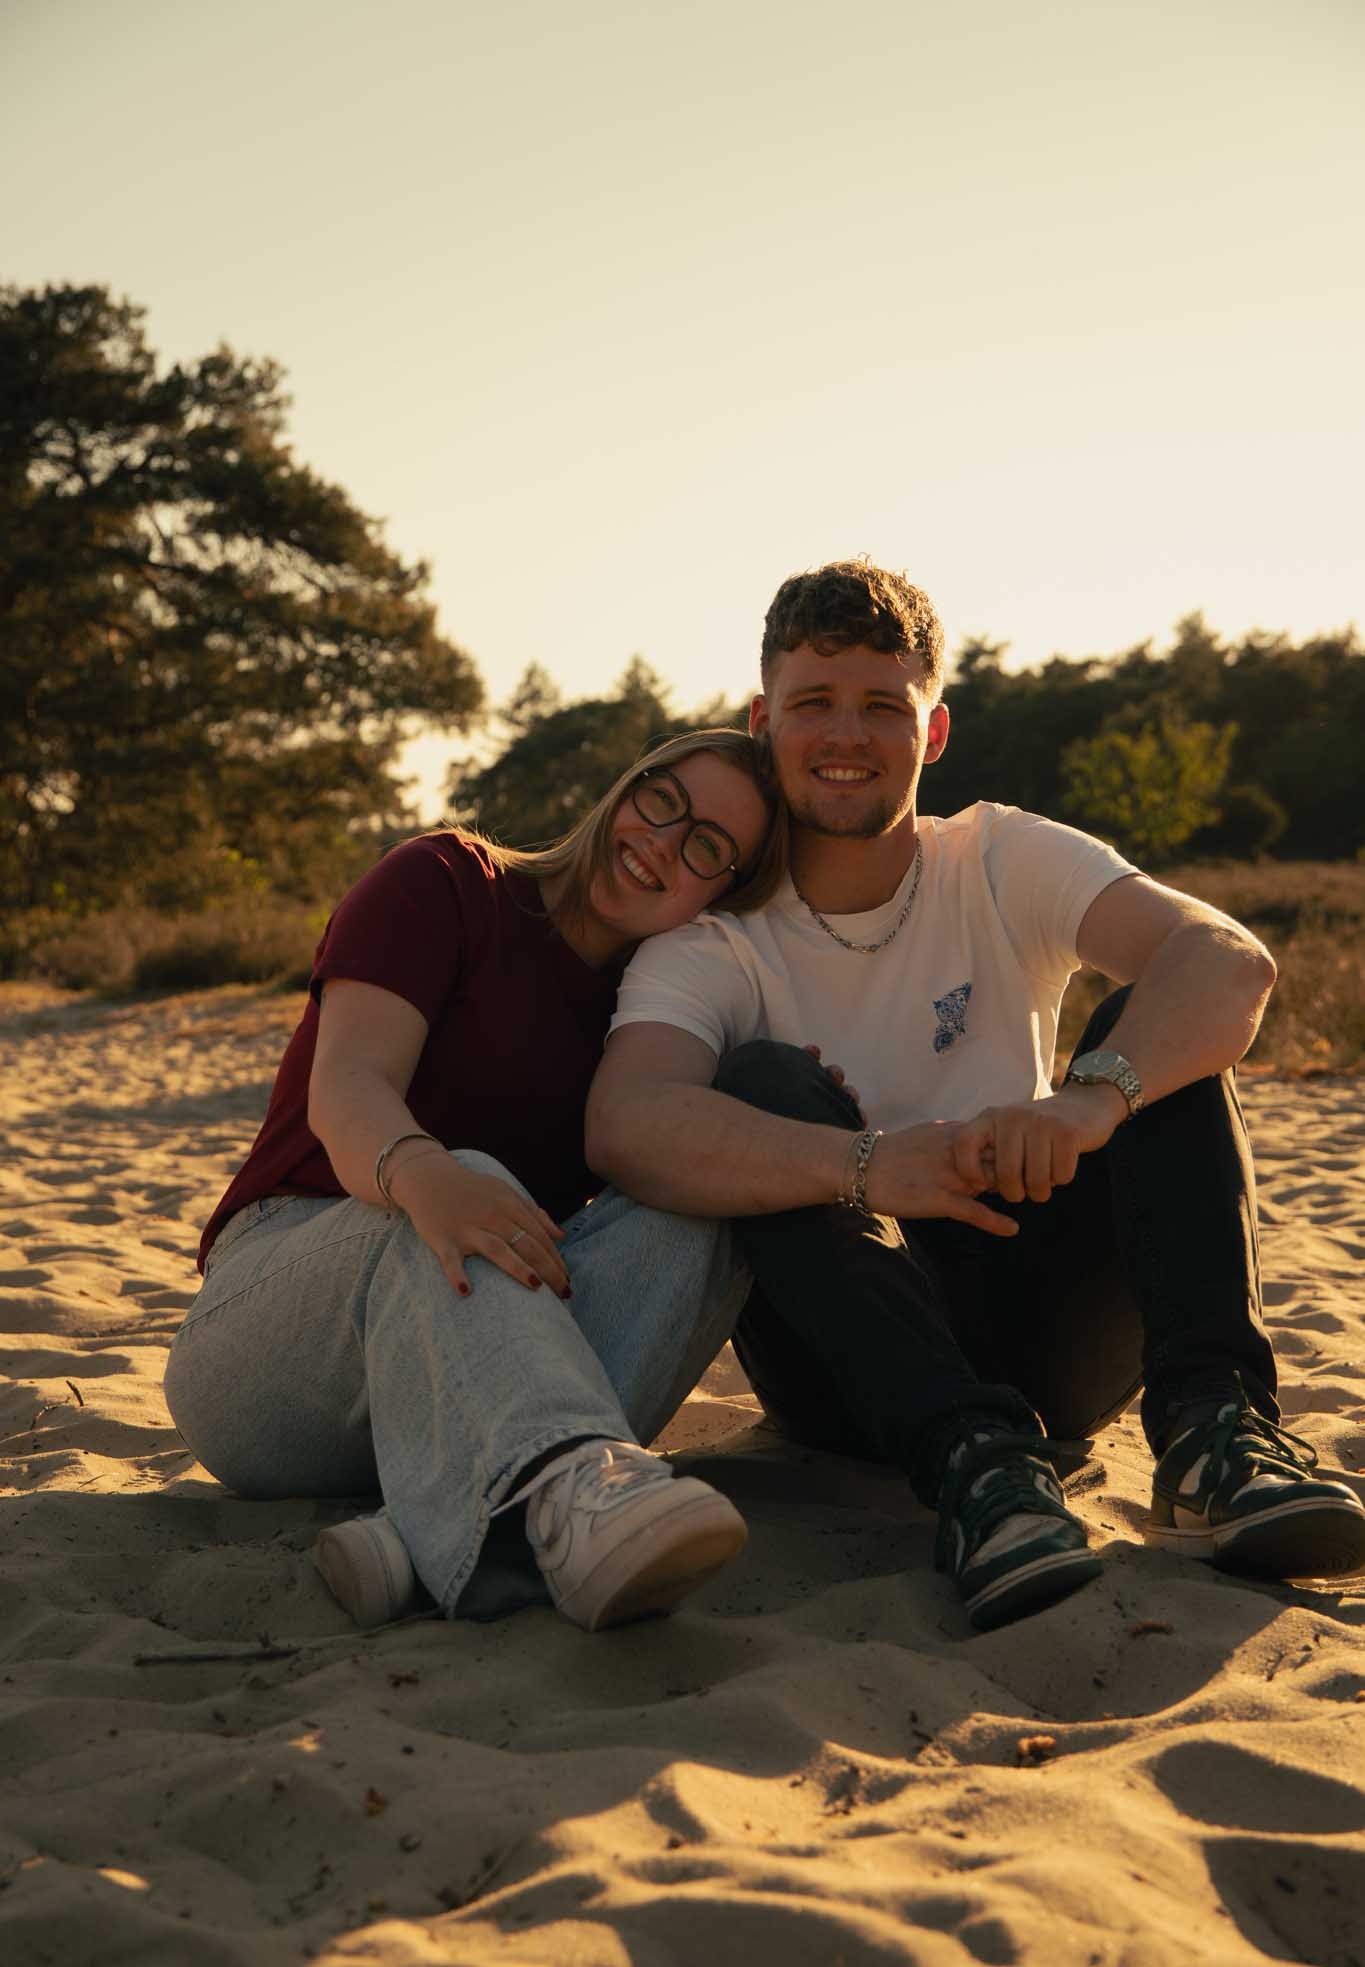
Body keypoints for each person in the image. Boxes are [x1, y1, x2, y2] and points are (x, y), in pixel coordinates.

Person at [586, 560, 1365, 1631]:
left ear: (935, 731)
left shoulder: (996, 855)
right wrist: (865, 1166)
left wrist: (1090, 1102)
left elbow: (1229, 960)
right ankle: (976, 1469)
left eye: (881, 705)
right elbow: (626, 1121)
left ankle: (1214, 1436)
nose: (845, 733)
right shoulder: (716, 945)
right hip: (846, 1356)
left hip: (1042, 1318)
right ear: (763, 721)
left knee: (1150, 1038)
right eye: (814, 703)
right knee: (760, 1082)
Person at [164, 729, 788, 1633]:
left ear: (720, 894)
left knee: (708, 1205)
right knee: (467, 1181)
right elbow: (346, 1090)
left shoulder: (645, 1024)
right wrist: (426, 1175)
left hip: (462, 1381)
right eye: (663, 802)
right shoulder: (448, 882)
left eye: (705, 849)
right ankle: (567, 1481)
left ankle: (424, 1543)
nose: (661, 843)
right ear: (626, 785)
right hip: (277, 1338)